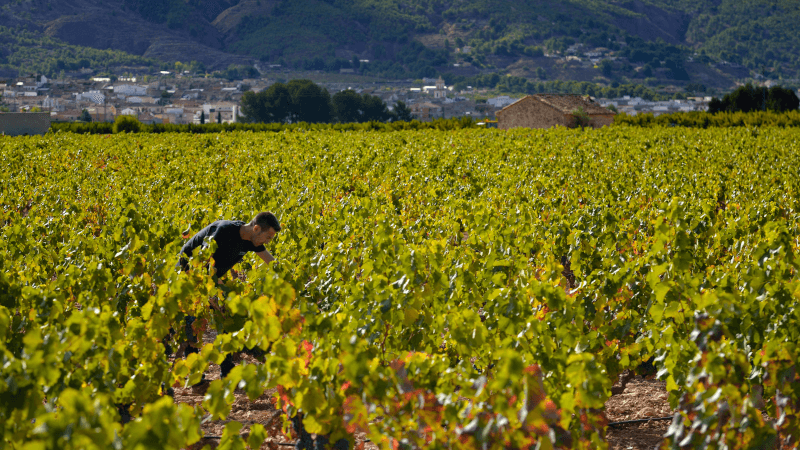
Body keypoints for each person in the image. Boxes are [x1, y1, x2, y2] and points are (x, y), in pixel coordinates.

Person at [175, 211, 281, 391]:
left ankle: (228, 375)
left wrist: (287, 278)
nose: (268, 241)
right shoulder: (223, 231)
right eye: (268, 237)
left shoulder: (252, 240)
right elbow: (202, 265)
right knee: (193, 327)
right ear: (256, 228)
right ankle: (196, 381)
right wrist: (224, 292)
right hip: (189, 276)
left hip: (213, 280)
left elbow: (271, 262)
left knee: (228, 323)